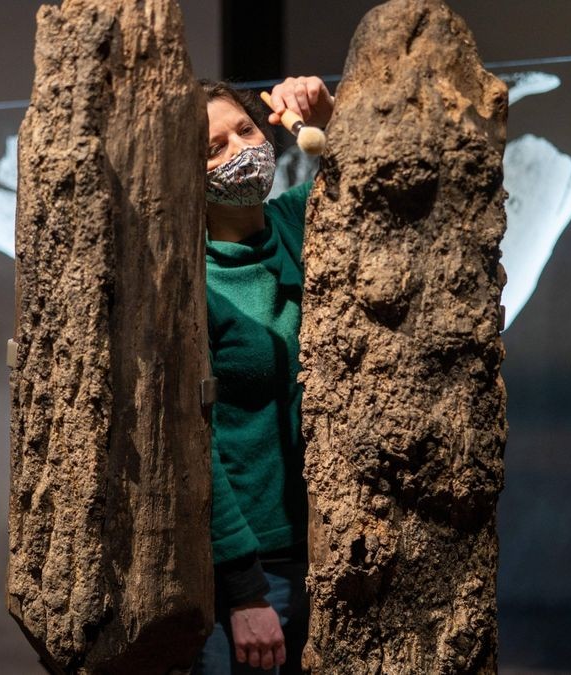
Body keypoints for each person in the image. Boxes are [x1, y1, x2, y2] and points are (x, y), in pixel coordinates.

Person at [196, 76, 334, 675]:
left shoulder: (299, 220)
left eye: (246, 131)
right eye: (213, 148)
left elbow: (383, 177)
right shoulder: (189, 283)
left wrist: (330, 114)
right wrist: (244, 591)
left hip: (331, 548)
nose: (241, 151)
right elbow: (192, 446)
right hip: (246, 568)